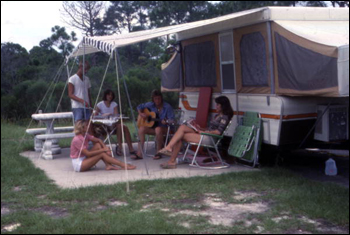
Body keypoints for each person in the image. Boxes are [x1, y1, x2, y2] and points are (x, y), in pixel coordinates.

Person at [158, 96, 234, 169]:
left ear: (223, 106)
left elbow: (218, 132)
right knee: (182, 127)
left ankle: (170, 156)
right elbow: (211, 128)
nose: (216, 106)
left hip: (210, 138)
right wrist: (201, 129)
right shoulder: (217, 115)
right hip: (205, 134)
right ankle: (169, 153)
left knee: (180, 136)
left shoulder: (225, 117)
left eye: (218, 105)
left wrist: (205, 132)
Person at [70, 120, 136, 172]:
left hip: (84, 158)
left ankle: (108, 165)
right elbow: (88, 153)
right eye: (87, 125)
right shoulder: (77, 139)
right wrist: (104, 150)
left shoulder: (85, 135)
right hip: (78, 164)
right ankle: (123, 165)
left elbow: (98, 140)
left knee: (98, 145)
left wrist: (105, 148)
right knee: (101, 154)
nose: (88, 127)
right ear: (82, 128)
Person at [134, 89, 175, 160]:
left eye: (159, 98)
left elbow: (172, 120)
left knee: (158, 129)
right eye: (155, 99)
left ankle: (158, 152)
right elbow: (139, 107)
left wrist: (167, 121)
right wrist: (141, 114)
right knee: (141, 129)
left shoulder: (167, 107)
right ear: (153, 99)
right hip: (153, 128)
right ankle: (139, 153)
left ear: (161, 98)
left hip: (166, 128)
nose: (157, 100)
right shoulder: (150, 104)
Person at [95, 89, 137, 157]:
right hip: (104, 126)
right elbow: (95, 116)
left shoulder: (114, 104)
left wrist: (114, 116)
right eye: (109, 94)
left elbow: (116, 116)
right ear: (105, 95)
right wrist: (104, 115)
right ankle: (121, 148)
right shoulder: (100, 104)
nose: (110, 96)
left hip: (113, 125)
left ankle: (125, 148)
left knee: (122, 126)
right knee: (123, 127)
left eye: (111, 95)